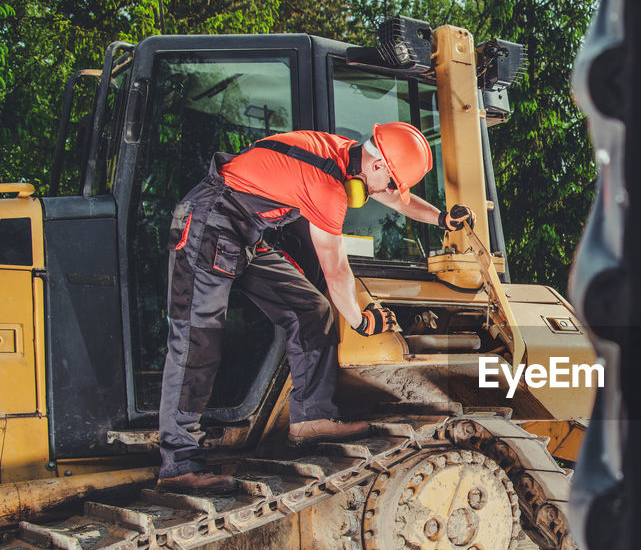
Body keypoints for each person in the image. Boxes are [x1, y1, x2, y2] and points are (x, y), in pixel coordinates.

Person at [156, 123, 476, 494]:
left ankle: (312, 417)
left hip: (244, 231)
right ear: (376, 166)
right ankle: (179, 464)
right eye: (392, 181)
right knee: (197, 342)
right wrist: (361, 321)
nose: (392, 192)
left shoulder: (346, 156)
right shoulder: (327, 188)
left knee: (311, 309)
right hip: (210, 223)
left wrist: (440, 220)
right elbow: (336, 269)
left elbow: (390, 197)